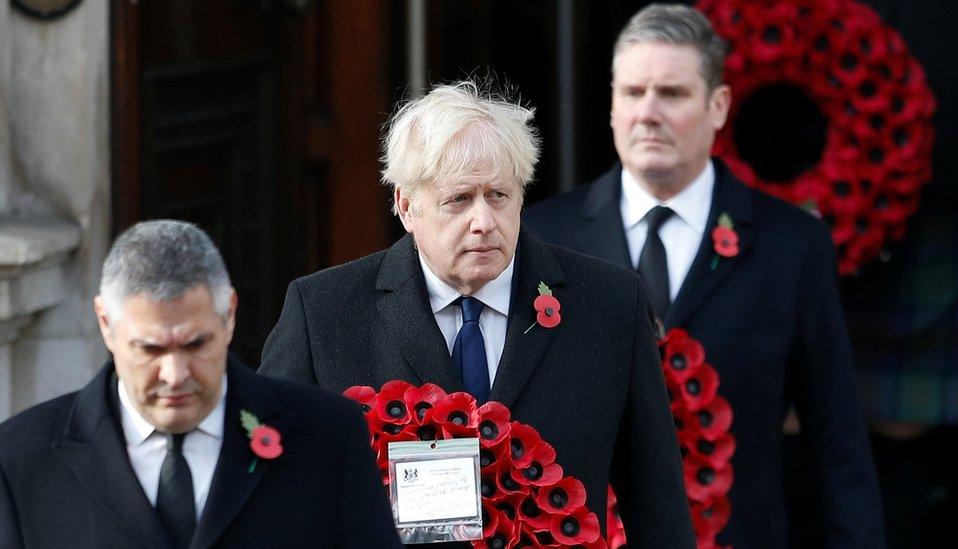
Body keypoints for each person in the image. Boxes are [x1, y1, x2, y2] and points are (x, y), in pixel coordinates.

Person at [259, 81, 696, 548]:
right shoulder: (324, 313)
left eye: (499, 196)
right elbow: (270, 493)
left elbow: (658, 507)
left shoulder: (608, 304)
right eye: (459, 200)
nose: (484, 221)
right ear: (407, 206)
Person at [523, 5, 884, 548]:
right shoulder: (542, 237)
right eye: (631, 92)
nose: (647, 113)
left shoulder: (791, 246)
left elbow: (836, 439)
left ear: (718, 107)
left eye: (671, 94)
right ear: (612, 105)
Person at [0, 220, 401, 549]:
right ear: (106, 324)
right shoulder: (21, 459)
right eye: (150, 349)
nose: (175, 374)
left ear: (228, 315)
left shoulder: (327, 436)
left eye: (196, 344)